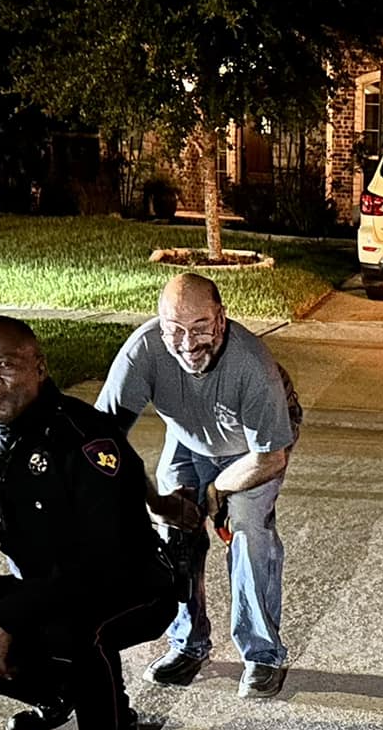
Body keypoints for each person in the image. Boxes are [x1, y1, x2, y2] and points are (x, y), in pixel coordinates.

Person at [0, 316, 189, 730]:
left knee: (73, 628)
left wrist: (9, 616)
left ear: (39, 366)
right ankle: (58, 688)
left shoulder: (84, 437)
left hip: (132, 586)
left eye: (6, 365)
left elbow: (102, 559)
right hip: (42, 590)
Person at [96, 272, 299, 699]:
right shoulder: (145, 350)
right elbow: (100, 436)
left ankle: (263, 655)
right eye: (175, 330)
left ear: (221, 320)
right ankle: (188, 643)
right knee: (175, 535)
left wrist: (214, 494)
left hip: (252, 453)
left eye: (201, 328)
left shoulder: (252, 366)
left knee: (247, 530)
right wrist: (150, 499)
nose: (188, 344)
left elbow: (271, 456)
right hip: (188, 437)